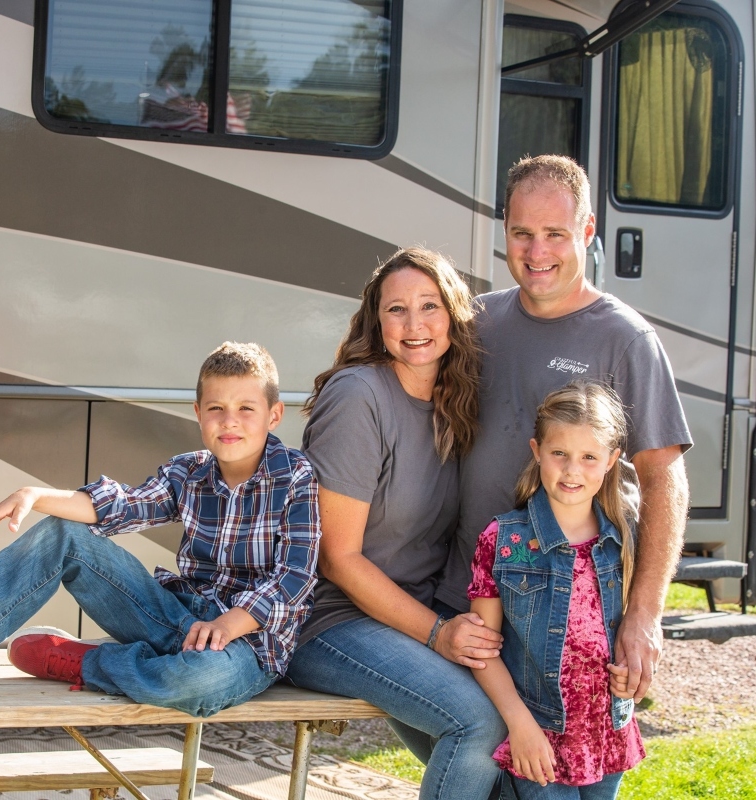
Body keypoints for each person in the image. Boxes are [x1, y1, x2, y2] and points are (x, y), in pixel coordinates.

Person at [436, 155, 692, 704]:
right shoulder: (474, 323)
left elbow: (664, 479)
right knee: (484, 755)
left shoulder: (626, 339)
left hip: (576, 615)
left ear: (588, 231)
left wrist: (645, 614)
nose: (537, 252)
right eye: (522, 234)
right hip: (473, 603)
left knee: (564, 771)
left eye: (555, 233)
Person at [0, 342, 320, 717]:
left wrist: (229, 624)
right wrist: (33, 494)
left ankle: (88, 663)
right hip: (177, 617)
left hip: (247, 643)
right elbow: (123, 506)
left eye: (246, 408)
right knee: (66, 532)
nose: (229, 420)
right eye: (216, 408)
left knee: (198, 682)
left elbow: (296, 578)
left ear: (274, 415)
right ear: (198, 413)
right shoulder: (188, 472)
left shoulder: (295, 476)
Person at [285, 247, 507, 800]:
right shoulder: (359, 395)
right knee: (481, 725)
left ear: (454, 316)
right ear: (374, 320)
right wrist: (438, 634)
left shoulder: (453, 401)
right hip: (329, 620)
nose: (415, 326)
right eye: (396, 310)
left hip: (404, 619)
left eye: (430, 306)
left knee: (505, 767)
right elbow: (338, 558)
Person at [469, 381, 645, 799]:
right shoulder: (504, 540)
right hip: (538, 737)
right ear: (536, 451)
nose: (572, 470)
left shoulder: (622, 540)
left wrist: (631, 673)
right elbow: (481, 648)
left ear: (611, 461)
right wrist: (519, 725)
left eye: (589, 458)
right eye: (559, 454)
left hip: (607, 732)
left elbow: (630, 629)